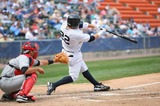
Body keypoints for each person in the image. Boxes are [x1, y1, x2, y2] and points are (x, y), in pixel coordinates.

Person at [46, 13, 110, 95]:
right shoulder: (76, 34)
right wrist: (101, 32)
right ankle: (53, 85)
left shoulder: (64, 25)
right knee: (73, 77)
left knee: (84, 69)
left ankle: (96, 85)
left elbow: (82, 25)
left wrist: (95, 27)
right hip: (73, 55)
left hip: (67, 51)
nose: (79, 25)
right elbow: (91, 38)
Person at [0, 41, 67, 103]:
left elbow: (40, 62)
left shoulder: (27, 57)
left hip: (7, 82)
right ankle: (22, 96)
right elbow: (24, 70)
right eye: (34, 50)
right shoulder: (24, 57)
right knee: (32, 74)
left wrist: (54, 60)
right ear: (30, 51)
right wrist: (37, 69)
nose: (36, 51)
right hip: (7, 82)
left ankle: (9, 95)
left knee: (27, 76)